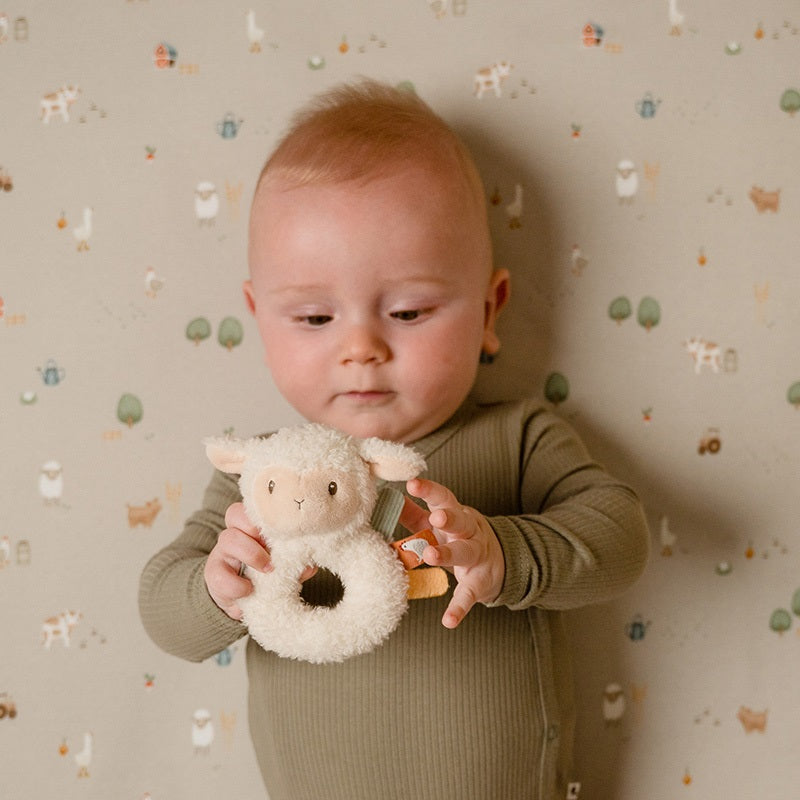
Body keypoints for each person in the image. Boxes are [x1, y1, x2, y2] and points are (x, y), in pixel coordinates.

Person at [139, 79, 649, 800]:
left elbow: (620, 536)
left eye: (408, 312)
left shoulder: (517, 438)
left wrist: (505, 553)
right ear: (260, 318)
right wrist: (218, 587)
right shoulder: (259, 475)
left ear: (489, 310)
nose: (362, 348)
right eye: (315, 319)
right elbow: (162, 610)